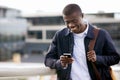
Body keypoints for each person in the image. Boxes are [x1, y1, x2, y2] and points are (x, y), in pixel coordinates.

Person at [44, 3, 120, 80]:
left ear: (82, 16)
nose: (71, 25)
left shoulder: (101, 34)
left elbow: (115, 58)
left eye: (74, 21)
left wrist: (97, 58)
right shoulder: (60, 35)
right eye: (67, 22)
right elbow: (48, 60)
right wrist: (60, 62)